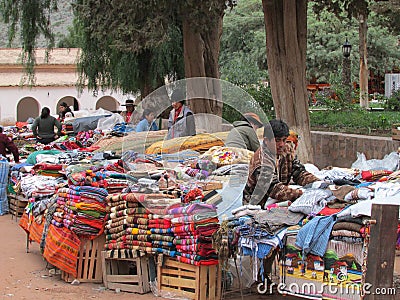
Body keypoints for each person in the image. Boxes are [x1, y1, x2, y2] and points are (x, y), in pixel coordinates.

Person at [243, 119, 319, 207]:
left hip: (279, 199)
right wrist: (302, 194)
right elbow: (274, 189)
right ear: (266, 140)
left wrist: (318, 183)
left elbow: (299, 173)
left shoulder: (286, 150)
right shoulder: (261, 161)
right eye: (277, 140)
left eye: (284, 140)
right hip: (257, 205)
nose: (281, 144)